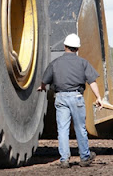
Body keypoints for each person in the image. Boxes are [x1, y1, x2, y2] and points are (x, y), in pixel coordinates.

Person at [37, 33, 103, 168]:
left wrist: (42, 87)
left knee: (62, 129)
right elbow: (92, 82)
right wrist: (99, 97)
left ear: (64, 46)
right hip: (76, 98)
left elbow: (44, 81)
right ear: (77, 48)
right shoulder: (83, 63)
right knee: (80, 128)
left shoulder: (55, 63)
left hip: (60, 98)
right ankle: (84, 157)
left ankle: (64, 160)